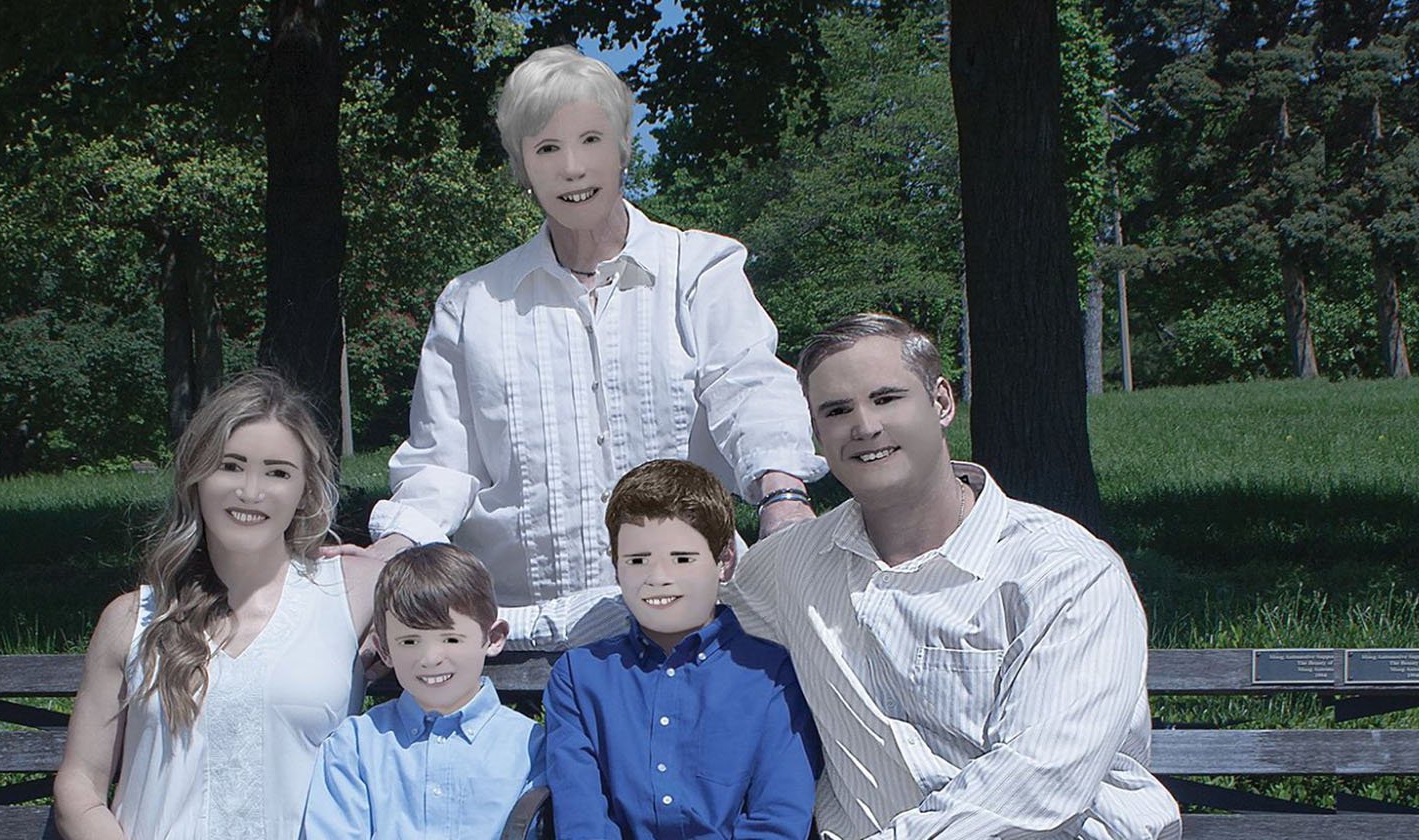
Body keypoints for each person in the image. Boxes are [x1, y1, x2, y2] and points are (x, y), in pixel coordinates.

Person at [503, 314, 1182, 839]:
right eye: (835, 411)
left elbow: (1040, 786)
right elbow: (668, 593)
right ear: (815, 434)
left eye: (887, 398)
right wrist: (497, 624)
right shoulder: (799, 563)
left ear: (941, 401)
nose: (864, 426)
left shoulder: (1064, 572)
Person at [326, 45, 826, 612]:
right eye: (546, 148)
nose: (572, 167)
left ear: (622, 148)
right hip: (523, 628)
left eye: (591, 140)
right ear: (523, 167)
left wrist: (782, 497)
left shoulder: (699, 270)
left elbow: (750, 389)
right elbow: (444, 461)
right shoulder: (470, 304)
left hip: (693, 616)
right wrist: (389, 550)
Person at [54, 370, 383, 840]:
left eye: (277, 472)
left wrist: (395, 570)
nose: (251, 491)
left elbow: (466, 609)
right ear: (196, 477)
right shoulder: (132, 620)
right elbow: (79, 783)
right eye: (230, 465)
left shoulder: (353, 592)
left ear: (305, 490)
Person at [543, 459, 821, 839]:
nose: (659, 578)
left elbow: (777, 819)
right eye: (638, 560)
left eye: (682, 559)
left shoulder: (771, 675)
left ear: (724, 561)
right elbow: (582, 819)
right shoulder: (579, 677)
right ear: (615, 567)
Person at [300, 544, 545, 840]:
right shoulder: (354, 746)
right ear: (384, 650)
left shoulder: (532, 748)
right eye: (409, 641)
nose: (430, 658)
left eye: (451, 639)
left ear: (492, 638)